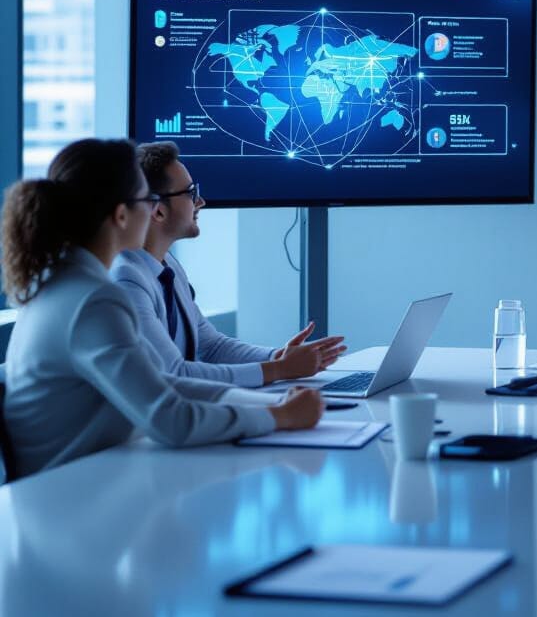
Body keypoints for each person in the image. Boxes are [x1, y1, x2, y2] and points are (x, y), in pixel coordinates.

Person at [1, 138, 323, 479]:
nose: (152, 209)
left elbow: (161, 382)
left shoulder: (65, 285)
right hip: (68, 498)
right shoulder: (95, 300)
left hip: (77, 486)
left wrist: (269, 403)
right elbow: (171, 420)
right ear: (121, 215)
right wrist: (280, 418)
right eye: (146, 200)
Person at [111, 141, 345, 388]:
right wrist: (279, 369)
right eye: (190, 193)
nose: (200, 201)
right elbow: (173, 374)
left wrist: (277, 357)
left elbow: (211, 347)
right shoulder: (127, 280)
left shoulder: (168, 265)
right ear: (158, 211)